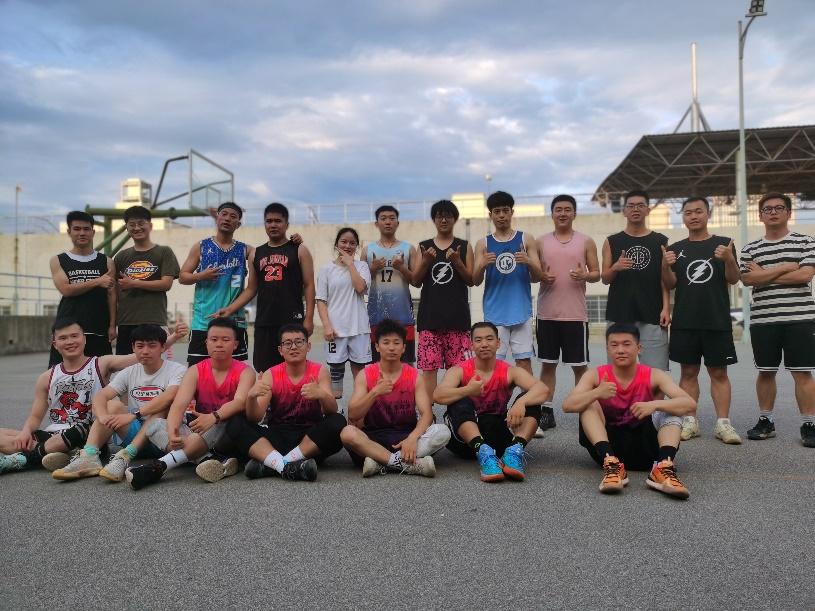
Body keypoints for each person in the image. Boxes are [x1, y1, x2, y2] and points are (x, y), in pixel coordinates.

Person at [0, 318, 183, 474]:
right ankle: (61, 454)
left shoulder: (101, 364)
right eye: (63, 338)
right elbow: (35, 416)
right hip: (55, 433)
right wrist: (25, 431)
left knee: (114, 407)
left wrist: (173, 337)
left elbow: (143, 353)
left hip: (87, 432)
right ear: (55, 344)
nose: (70, 341)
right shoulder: (46, 378)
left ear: (84, 339)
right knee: (6, 436)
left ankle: (29, 458)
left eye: (74, 336)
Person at [562, 323, 695, 498]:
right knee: (587, 403)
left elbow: (690, 404)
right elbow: (568, 405)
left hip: (646, 449)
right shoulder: (595, 375)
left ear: (638, 348)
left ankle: (663, 467)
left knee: (672, 408)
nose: (620, 350)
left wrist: (654, 405)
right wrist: (597, 393)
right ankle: (612, 465)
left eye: (627, 344)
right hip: (608, 449)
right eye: (614, 345)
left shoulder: (653, 375)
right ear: (608, 349)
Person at [125, 317, 255, 489]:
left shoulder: (246, 372)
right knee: (154, 426)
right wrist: (173, 431)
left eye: (225, 340)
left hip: (226, 432)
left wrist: (213, 417)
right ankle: (209, 459)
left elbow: (239, 403)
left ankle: (159, 467)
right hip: (199, 429)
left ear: (236, 344)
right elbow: (178, 405)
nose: (219, 344)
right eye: (214, 339)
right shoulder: (196, 370)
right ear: (206, 343)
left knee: (224, 419)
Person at [50, 324, 187, 481]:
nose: (145, 351)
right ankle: (89, 457)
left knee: (162, 409)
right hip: (135, 433)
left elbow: (169, 396)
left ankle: (124, 457)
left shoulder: (176, 370)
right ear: (133, 348)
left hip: (165, 437)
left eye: (152, 346)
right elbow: (101, 396)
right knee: (111, 406)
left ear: (163, 347)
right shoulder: (129, 371)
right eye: (140, 346)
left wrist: (134, 415)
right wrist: (102, 417)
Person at [662, 196, 742, 445]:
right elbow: (670, 284)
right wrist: (665, 266)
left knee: (719, 372)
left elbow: (734, 278)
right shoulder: (675, 248)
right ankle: (690, 421)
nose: (693, 216)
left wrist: (729, 259)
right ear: (683, 218)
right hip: (685, 320)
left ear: (709, 214)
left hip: (716, 319)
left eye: (699, 211)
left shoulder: (724, 244)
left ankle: (723, 424)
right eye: (688, 212)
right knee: (688, 372)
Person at [740, 192, 815, 448]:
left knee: (802, 372)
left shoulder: (806, 242)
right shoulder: (750, 249)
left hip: (800, 318)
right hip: (764, 319)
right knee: (766, 371)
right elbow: (747, 279)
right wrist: (784, 268)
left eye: (779, 208)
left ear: (789, 213)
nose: (773, 212)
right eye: (768, 209)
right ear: (760, 215)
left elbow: (804, 275)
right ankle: (766, 421)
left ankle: (809, 424)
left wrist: (764, 274)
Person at [225, 324, 346, 482]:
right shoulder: (271, 374)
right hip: (277, 436)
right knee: (235, 422)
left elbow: (331, 410)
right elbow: (255, 418)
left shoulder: (319, 371)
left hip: (310, 440)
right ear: (280, 350)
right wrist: (252, 397)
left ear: (308, 346)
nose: (293, 347)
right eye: (288, 343)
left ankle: (273, 464)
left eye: (299, 342)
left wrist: (321, 394)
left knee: (338, 421)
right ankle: (291, 466)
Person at [433, 322, 548, 482]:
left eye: (489, 339)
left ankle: (514, 451)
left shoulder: (510, 371)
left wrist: (521, 403)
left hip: (498, 438)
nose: (484, 344)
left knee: (531, 399)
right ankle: (483, 452)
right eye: (478, 340)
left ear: (498, 343)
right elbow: (438, 395)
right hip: (464, 442)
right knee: (459, 399)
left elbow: (543, 389)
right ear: (471, 345)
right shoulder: (458, 370)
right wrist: (467, 390)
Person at [341, 318, 451, 478]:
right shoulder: (365, 375)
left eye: (396, 343)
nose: (391, 347)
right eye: (386, 343)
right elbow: (353, 414)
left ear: (403, 347)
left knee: (443, 431)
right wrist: (375, 392)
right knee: (347, 433)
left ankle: (380, 462)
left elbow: (427, 414)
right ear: (377, 347)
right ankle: (404, 464)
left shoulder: (414, 376)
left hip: (406, 439)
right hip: (373, 439)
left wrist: (412, 438)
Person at [535, 194, 601, 434]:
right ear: (552, 214)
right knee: (548, 365)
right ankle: (546, 410)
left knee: (580, 368)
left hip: (575, 315)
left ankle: (585, 412)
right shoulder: (540, 242)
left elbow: (597, 273)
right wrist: (541, 276)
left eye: (567, 209)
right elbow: (532, 274)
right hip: (547, 314)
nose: (562, 213)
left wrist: (586, 275)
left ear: (574, 213)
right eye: (558, 209)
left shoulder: (586, 241)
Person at [226, 203, 315, 373]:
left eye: (278, 221)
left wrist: (309, 318)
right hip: (265, 321)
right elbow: (251, 289)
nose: (273, 225)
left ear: (287, 224)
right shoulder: (256, 253)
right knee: (264, 369)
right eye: (269, 221)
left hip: (292, 320)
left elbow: (309, 285)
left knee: (294, 368)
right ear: (264, 224)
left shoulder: (299, 250)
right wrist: (230, 309)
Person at [411, 200, 474, 407]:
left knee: (459, 371)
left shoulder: (464, 246)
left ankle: (458, 415)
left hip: (458, 320)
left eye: (448, 216)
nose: (444, 220)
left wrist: (457, 261)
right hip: (430, 320)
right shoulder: (424, 246)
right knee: (429, 370)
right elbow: (416, 281)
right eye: (439, 216)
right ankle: (428, 416)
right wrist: (425, 261)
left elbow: (471, 280)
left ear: (455, 219)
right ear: (434, 220)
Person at [473, 191, 543, 375]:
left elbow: (538, 276)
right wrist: (482, 265)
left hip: (521, 311)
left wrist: (528, 261)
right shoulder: (483, 243)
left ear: (512, 212)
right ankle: (495, 396)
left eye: (505, 210)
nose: (502, 215)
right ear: (490, 215)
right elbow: (475, 280)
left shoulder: (526, 239)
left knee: (523, 362)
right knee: (493, 364)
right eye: (497, 211)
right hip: (494, 313)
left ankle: (527, 395)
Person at [601, 189, 670, 369]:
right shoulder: (612, 241)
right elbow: (605, 278)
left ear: (648, 210)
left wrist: (666, 308)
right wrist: (615, 267)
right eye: (630, 206)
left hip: (652, 313)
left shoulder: (660, 241)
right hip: (619, 313)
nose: (635, 209)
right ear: (624, 211)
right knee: (618, 369)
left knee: (655, 371)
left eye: (640, 205)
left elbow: (665, 279)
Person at [179, 202, 252, 366]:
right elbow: (182, 277)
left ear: (238, 224)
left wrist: (294, 241)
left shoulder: (246, 250)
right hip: (203, 323)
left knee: (235, 374)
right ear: (216, 219)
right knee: (198, 373)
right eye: (224, 214)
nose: (227, 218)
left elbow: (271, 251)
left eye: (233, 216)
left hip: (234, 322)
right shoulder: (201, 247)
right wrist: (201, 276)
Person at [48, 210, 117, 368]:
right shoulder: (58, 260)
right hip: (68, 328)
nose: (82, 233)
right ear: (69, 232)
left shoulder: (106, 261)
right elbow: (66, 290)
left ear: (93, 232)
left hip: (98, 327)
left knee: (101, 372)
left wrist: (113, 324)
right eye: (77, 229)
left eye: (86, 229)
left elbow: (112, 295)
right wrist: (97, 281)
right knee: (62, 373)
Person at [113, 205, 180, 355]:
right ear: (126, 228)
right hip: (126, 322)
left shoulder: (164, 252)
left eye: (141, 223)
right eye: (132, 224)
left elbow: (166, 284)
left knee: (155, 365)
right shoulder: (121, 256)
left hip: (154, 320)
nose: (137, 228)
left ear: (150, 225)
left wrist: (133, 283)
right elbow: (114, 291)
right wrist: (112, 323)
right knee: (125, 367)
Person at [316, 227, 372, 399]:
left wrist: (350, 264)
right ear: (336, 244)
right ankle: (337, 410)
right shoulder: (327, 269)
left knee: (360, 372)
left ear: (357, 246)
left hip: (359, 327)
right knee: (336, 374)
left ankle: (359, 410)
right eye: (344, 242)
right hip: (336, 329)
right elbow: (321, 300)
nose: (348, 246)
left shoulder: (362, 266)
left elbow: (360, 287)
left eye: (352, 243)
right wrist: (327, 326)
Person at [361, 205, 417, 364]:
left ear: (397, 223)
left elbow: (416, 281)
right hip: (376, 316)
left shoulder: (409, 248)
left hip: (403, 316)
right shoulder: (367, 250)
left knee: (406, 365)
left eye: (392, 218)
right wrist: (373, 268)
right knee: (376, 364)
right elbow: (361, 286)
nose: (388, 222)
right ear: (376, 223)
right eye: (383, 218)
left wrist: (401, 268)